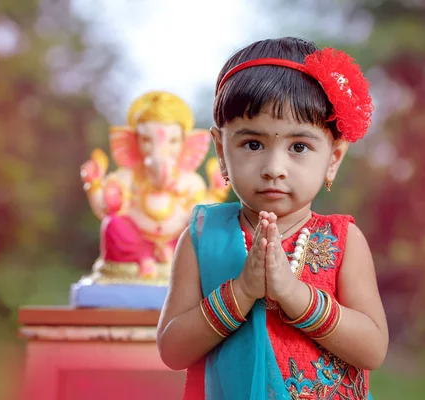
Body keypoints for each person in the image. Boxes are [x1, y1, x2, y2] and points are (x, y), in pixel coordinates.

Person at [157, 37, 389, 400]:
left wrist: (295, 295)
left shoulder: (344, 241)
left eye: (299, 147)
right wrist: (242, 292)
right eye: (253, 144)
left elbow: (373, 349)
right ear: (221, 149)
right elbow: (172, 350)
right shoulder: (203, 237)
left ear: (334, 157)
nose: (273, 169)